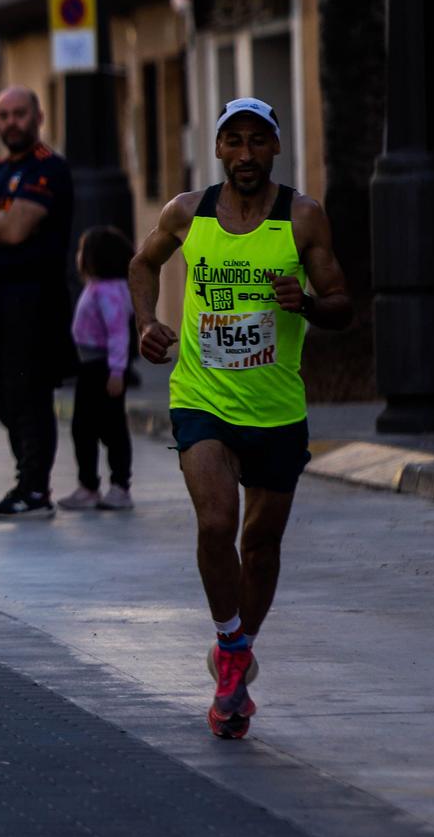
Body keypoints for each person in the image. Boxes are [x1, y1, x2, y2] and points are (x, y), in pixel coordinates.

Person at [128, 97, 351, 740]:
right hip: (201, 397)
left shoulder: (302, 219)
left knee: (261, 544)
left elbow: (343, 305)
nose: (245, 154)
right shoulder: (186, 212)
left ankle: (238, 645)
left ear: (275, 148)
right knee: (217, 521)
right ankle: (230, 650)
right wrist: (146, 323)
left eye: (258, 142)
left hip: (277, 409)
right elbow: (143, 263)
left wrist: (306, 303)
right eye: (234, 142)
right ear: (218, 149)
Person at [0, 86, 76, 519]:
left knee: (30, 391)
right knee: (2, 392)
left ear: (38, 116)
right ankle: (25, 478)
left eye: (19, 114)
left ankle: (34, 488)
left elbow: (16, 231)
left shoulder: (50, 169)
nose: (11, 123)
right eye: (3, 115)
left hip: (35, 299)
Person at [61, 225, 135, 512]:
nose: (78, 257)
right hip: (90, 366)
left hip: (105, 368)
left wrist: (117, 371)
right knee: (83, 428)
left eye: (82, 251)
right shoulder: (96, 287)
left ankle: (120, 487)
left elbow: (119, 333)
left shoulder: (110, 291)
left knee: (113, 428)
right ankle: (88, 486)